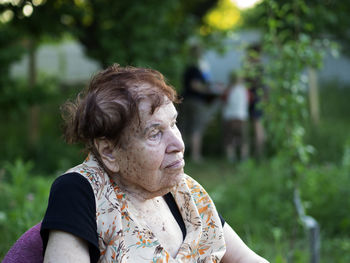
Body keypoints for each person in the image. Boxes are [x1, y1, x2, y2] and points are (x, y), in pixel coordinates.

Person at [40, 64, 269, 263]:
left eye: (174, 123)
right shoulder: (81, 192)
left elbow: (248, 259)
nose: (178, 144)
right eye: (155, 133)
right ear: (109, 152)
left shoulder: (187, 193)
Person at [180, 45, 219, 162]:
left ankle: (180, 156)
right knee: (197, 128)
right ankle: (195, 155)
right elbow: (195, 85)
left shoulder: (187, 68)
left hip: (185, 100)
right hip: (195, 102)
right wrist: (209, 90)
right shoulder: (195, 69)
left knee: (184, 127)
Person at [244, 44, 267, 160]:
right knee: (258, 126)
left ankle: (258, 153)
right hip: (258, 98)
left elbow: (250, 82)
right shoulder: (260, 66)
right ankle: (258, 153)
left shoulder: (253, 67)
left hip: (255, 98)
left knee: (257, 126)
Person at [222, 72, 249, 162]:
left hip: (230, 117)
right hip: (241, 117)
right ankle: (243, 157)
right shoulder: (245, 90)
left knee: (229, 138)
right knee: (243, 139)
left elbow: (224, 99)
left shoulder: (229, 89)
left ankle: (231, 157)